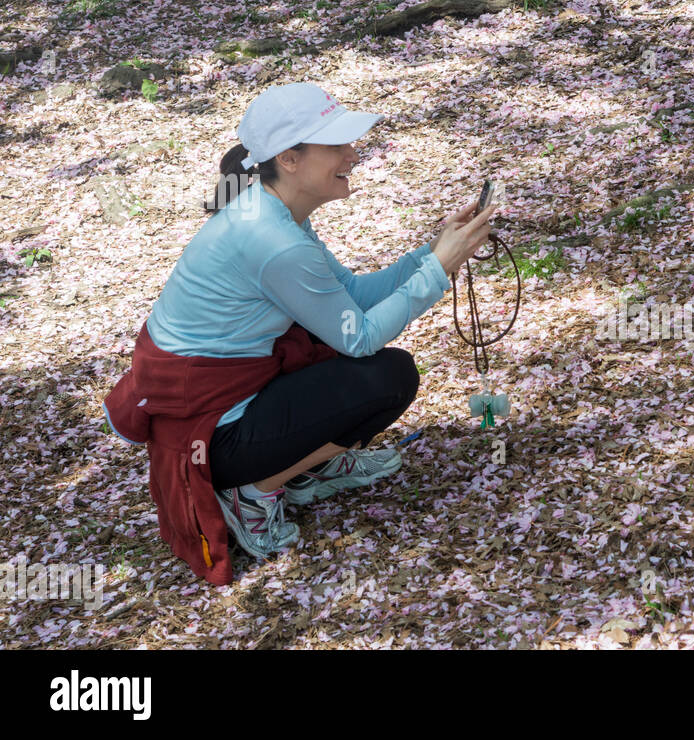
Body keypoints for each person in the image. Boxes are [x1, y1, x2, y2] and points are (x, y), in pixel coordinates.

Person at [102, 83, 495, 584]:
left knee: (378, 370)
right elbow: (360, 337)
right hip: (211, 436)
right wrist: (438, 271)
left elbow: (350, 293)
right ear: (288, 158)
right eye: (337, 145)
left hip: (235, 399)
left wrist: (430, 252)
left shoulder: (274, 212)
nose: (353, 154)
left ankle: (306, 470)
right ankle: (254, 489)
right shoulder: (272, 240)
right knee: (389, 377)